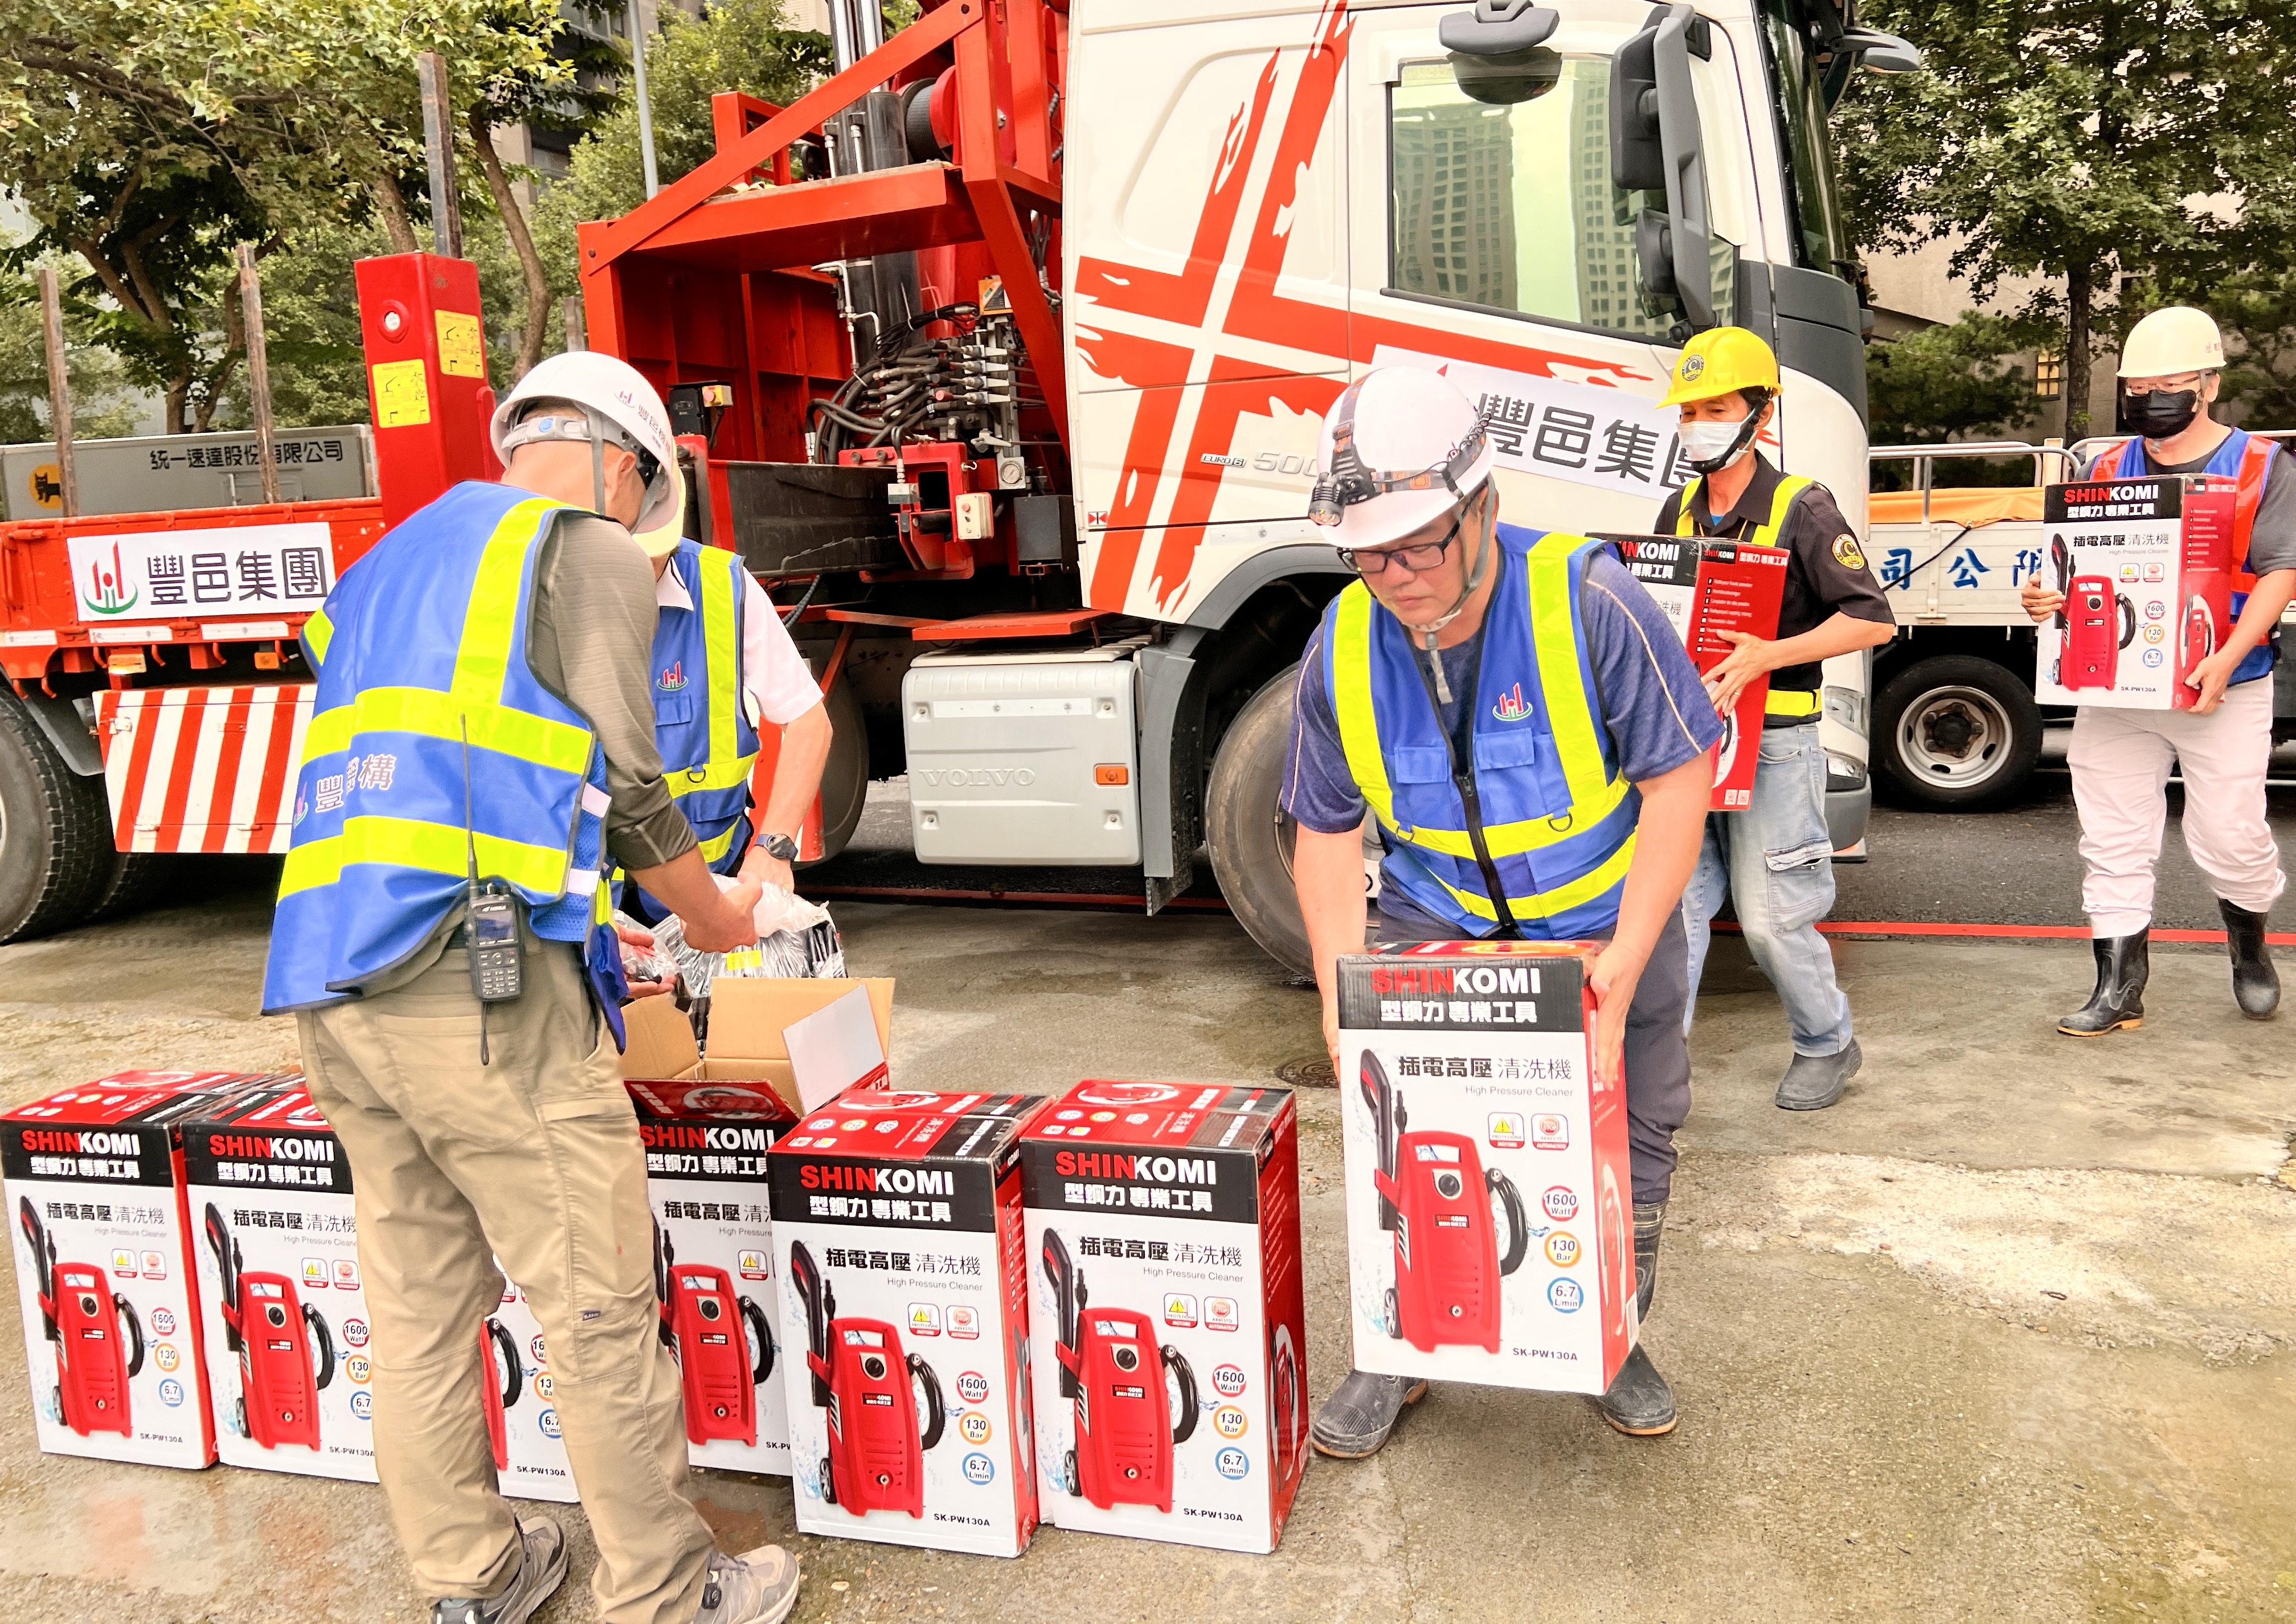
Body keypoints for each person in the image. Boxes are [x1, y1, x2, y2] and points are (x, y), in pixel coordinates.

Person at [261, 351, 804, 1624]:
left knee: (417, 1312)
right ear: (625, 463)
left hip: (335, 983)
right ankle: (669, 1596)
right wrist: (724, 917)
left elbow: (447, 776)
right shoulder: (587, 550)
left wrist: (576, 920)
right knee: (597, 1305)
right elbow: (631, 788)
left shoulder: (387, 563)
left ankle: (474, 1578)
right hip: (484, 1005)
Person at [1284, 366, 1721, 1455]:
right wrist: (1342, 994)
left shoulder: (1589, 600)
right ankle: (1400, 1350)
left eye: (1420, 542)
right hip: (1432, 924)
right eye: (1368, 551)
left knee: (1634, 1133)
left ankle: (1610, 1337)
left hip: (1601, 924)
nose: (1395, 576)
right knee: (1399, 1137)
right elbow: (1327, 833)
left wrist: (1625, 954)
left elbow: (1679, 779)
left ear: (1484, 506)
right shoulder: (1339, 647)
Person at [2020, 305, 2294, 1033]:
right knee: (2110, 832)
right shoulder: (2105, 467)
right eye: (2136, 387)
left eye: (2165, 385)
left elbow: (2280, 570)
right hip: (2118, 688)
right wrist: (2043, 595)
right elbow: (2067, 565)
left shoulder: (2262, 464)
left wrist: (2226, 656)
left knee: (2228, 831)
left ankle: (2247, 941)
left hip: (2224, 686)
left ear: (2205, 384)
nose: (2147, 399)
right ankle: (2118, 984)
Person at [1655, 328, 1897, 1110]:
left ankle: (1826, 1042)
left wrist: (1767, 653)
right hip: (1687, 743)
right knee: (1676, 908)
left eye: (1714, 407)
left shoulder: (1802, 506)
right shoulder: (1679, 507)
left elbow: (1870, 621)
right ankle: (1657, 1066)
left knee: (1769, 919)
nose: (1697, 421)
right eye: (1688, 409)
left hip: (1774, 744)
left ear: (1758, 415)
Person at [613, 479, 834, 993]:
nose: (640, 573)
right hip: (594, 910)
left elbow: (808, 722)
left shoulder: (721, 586)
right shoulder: (541, 596)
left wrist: (775, 847)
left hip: (713, 896)